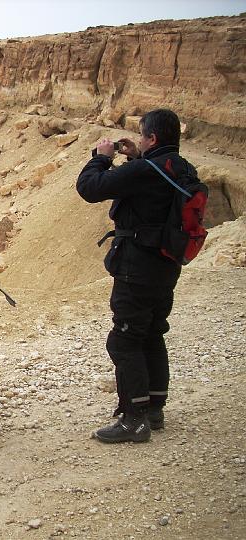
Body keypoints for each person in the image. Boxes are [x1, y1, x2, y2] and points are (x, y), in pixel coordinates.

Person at [76, 109, 199, 443]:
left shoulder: (145, 171)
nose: (140, 140)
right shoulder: (182, 168)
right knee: (152, 333)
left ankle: (134, 419)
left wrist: (102, 158)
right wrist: (136, 157)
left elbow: (89, 188)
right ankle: (154, 409)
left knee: (124, 340)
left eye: (143, 136)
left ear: (152, 138)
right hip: (166, 266)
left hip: (136, 268)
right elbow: (153, 193)